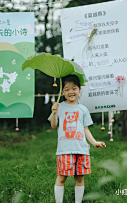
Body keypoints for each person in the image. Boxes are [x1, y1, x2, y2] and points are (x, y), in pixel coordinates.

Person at [50, 74, 106, 203]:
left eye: (74, 88)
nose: (71, 92)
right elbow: (54, 126)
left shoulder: (83, 109)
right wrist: (54, 112)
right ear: (63, 92)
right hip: (64, 149)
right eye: (67, 89)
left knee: (79, 177)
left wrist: (94, 142)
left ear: (79, 90)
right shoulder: (60, 107)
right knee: (62, 177)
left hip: (81, 149)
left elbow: (85, 129)